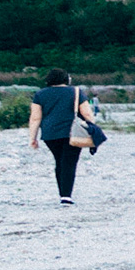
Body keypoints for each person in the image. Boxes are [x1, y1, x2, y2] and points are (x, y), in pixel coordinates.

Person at [27, 69, 99, 205]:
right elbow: (87, 113)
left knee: (59, 161)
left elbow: (35, 118)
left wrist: (33, 138)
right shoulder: (76, 92)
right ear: (66, 79)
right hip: (72, 132)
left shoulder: (40, 94)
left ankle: (63, 193)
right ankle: (66, 196)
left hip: (50, 134)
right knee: (69, 162)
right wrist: (92, 129)